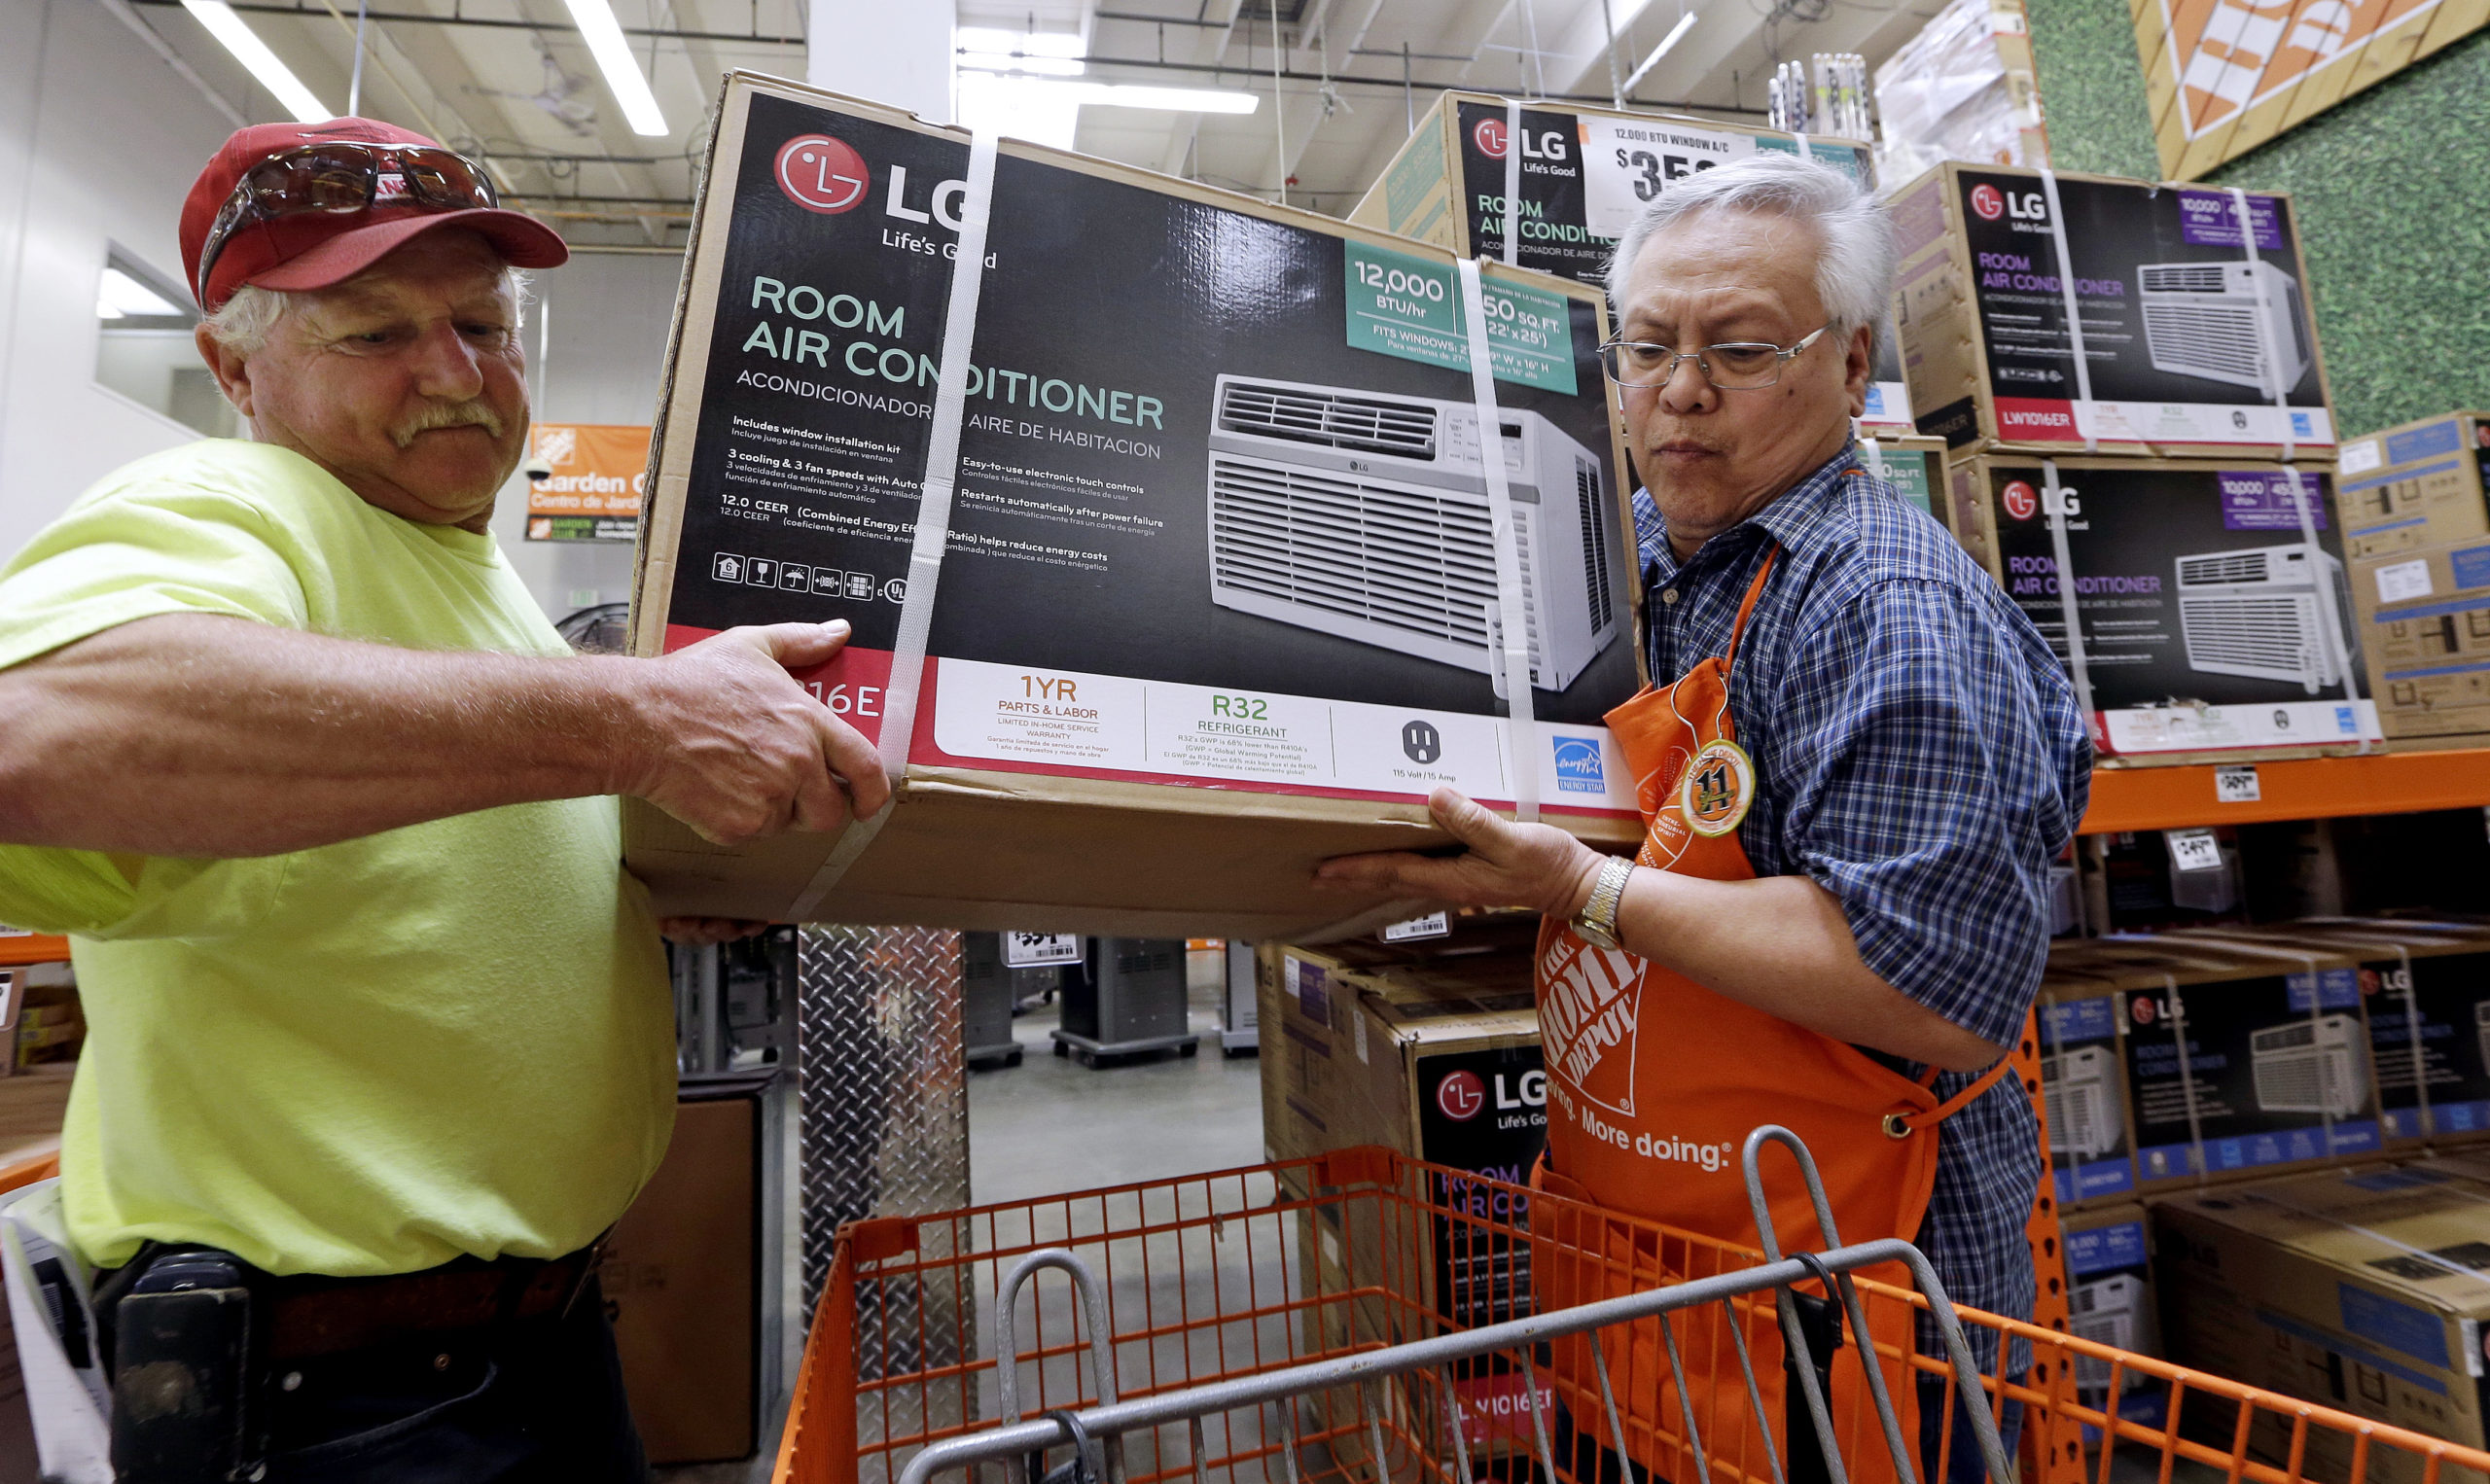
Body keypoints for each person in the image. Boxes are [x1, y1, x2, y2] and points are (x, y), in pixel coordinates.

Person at [0, 119, 883, 1480]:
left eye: (481, 320)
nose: (455, 372)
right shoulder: (234, 502)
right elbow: (38, 738)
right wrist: (644, 717)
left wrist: (631, 891)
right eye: (374, 334)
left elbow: (411, 865)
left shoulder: (463, 577)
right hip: (336, 1395)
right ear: (233, 366)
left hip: (533, 1340)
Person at [1318, 154, 2090, 1484]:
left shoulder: (1883, 607)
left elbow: (1935, 987)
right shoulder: (1626, 557)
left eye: (1739, 349)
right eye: (1650, 347)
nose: (1681, 390)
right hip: (1649, 1273)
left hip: (1853, 1323)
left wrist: (1580, 887)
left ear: (1849, 368)